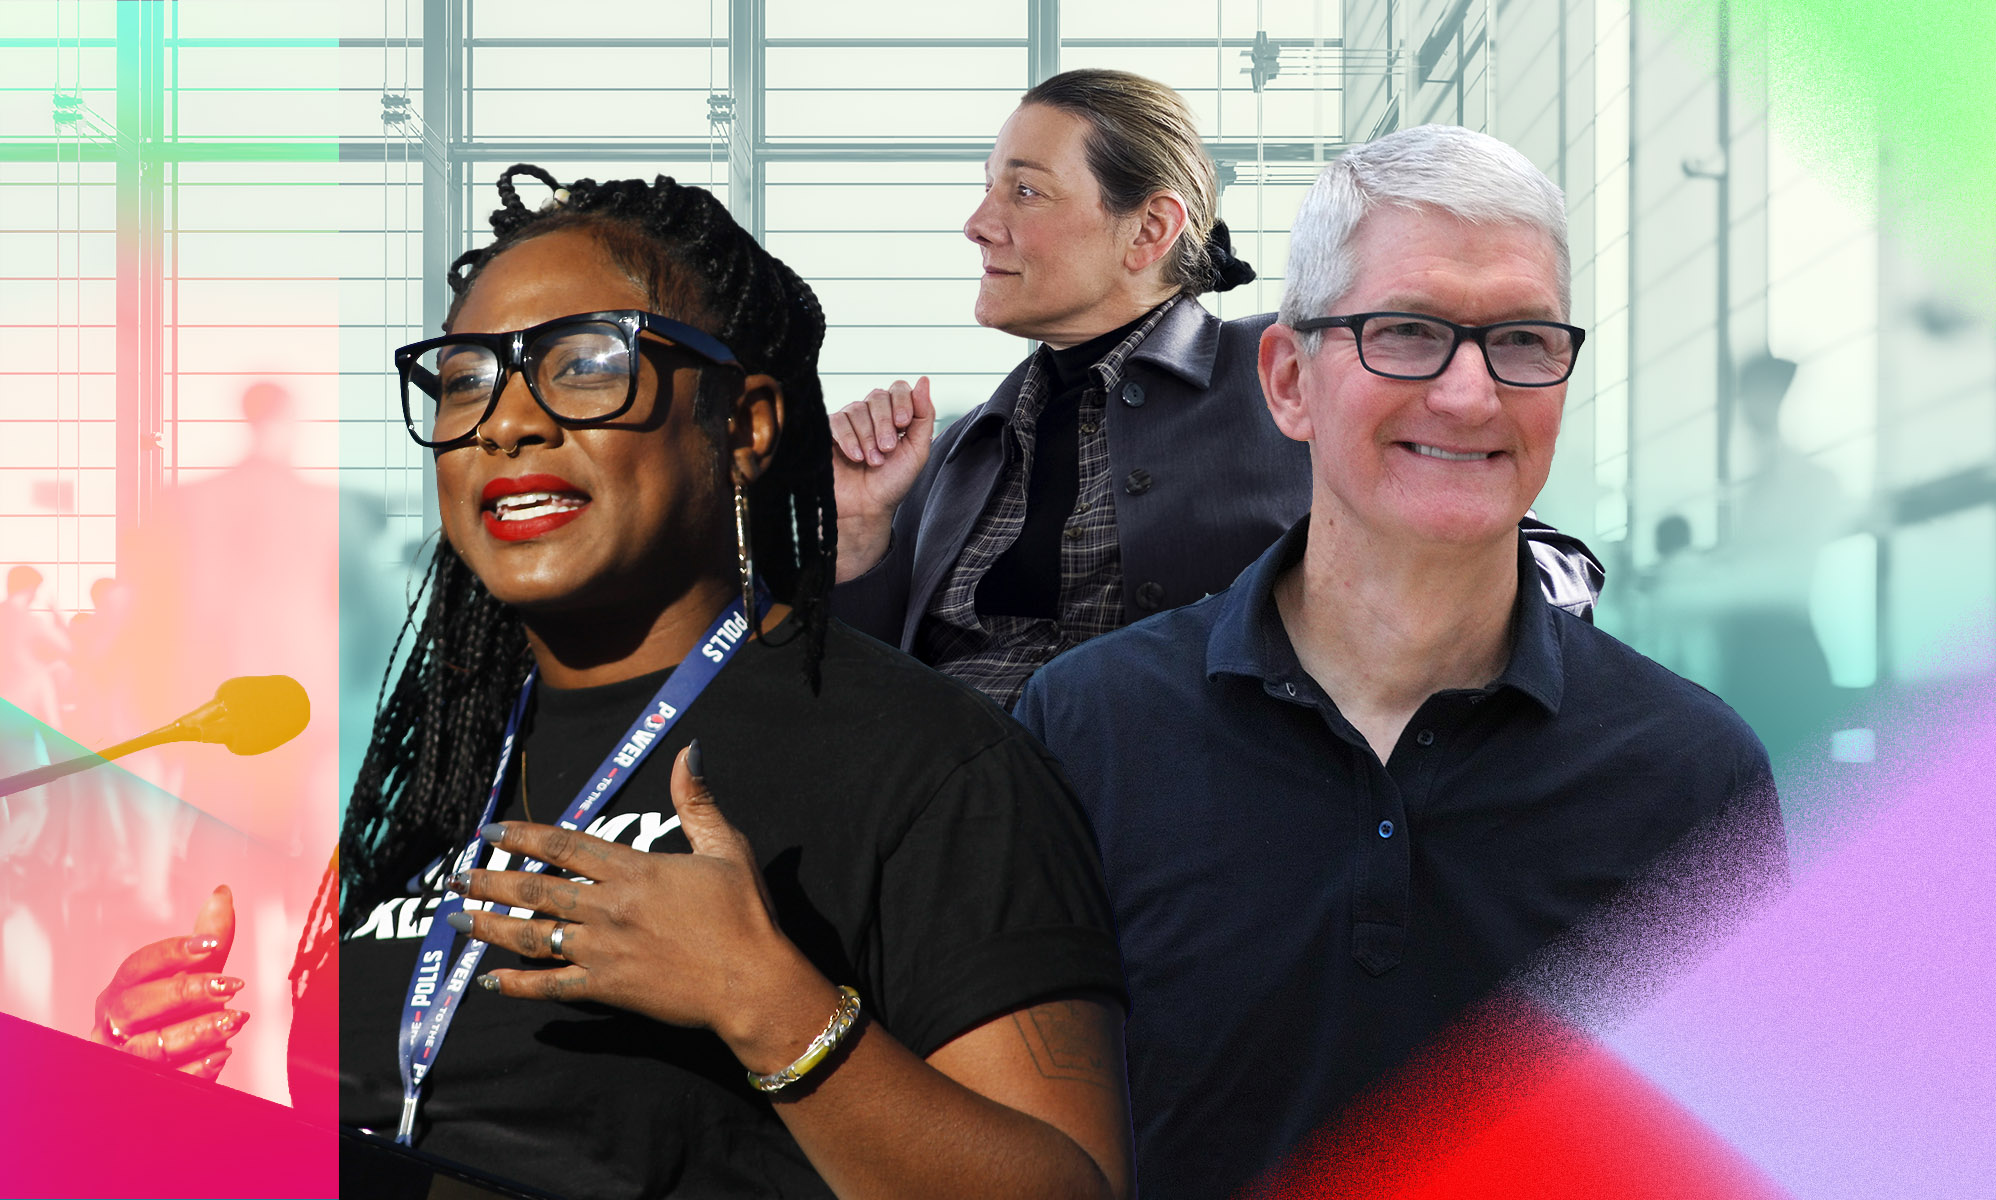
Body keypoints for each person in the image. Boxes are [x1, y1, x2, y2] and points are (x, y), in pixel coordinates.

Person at [1013, 125, 1789, 1199]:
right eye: (1408, 331)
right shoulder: (1087, 731)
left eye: (1520, 340)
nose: (1470, 396)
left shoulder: (1691, 774)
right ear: (1287, 379)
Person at [327, 167, 1131, 1199]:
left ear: (744, 428)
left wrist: (770, 1006)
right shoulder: (426, 773)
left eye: (581, 365)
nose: (505, 422)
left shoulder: (928, 761)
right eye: (466, 379)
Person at [828, 68, 1602, 709]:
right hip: (949, 854)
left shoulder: (1292, 371)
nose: (978, 222)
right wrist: (859, 532)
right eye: (989, 188)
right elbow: (855, 689)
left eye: (1024, 192)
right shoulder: (959, 446)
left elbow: (1529, 554)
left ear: (1150, 230)